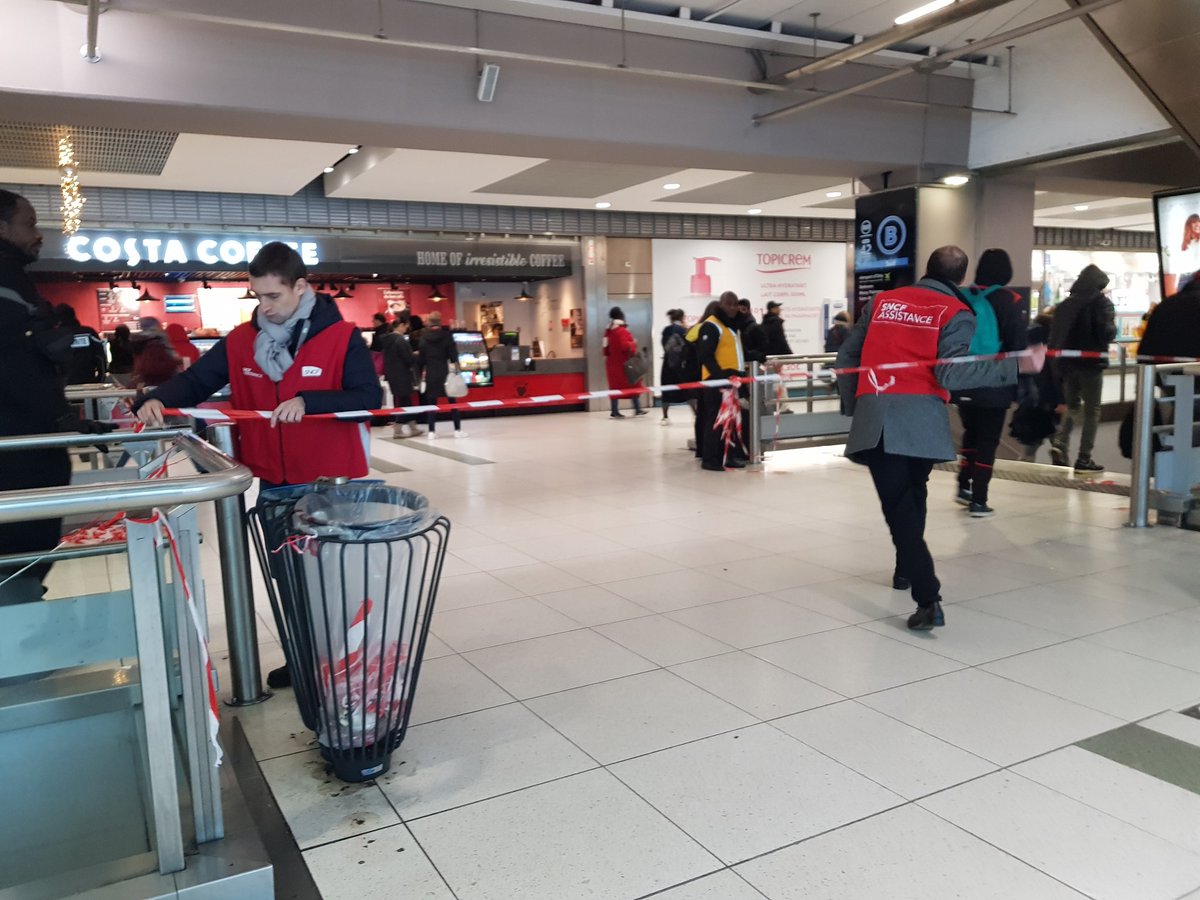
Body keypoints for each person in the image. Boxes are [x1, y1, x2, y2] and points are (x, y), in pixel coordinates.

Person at [135, 242, 381, 687]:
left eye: (274, 297)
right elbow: (197, 381)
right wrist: (155, 398)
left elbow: (368, 398)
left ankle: (346, 661)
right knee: (286, 578)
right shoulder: (242, 342)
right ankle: (304, 660)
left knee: (334, 575)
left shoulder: (341, 338)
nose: (264, 307)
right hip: (273, 482)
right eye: (258, 297)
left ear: (301, 287)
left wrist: (310, 401)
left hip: (332, 482)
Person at [836, 246, 1016, 630]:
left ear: (926, 270)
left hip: (879, 414)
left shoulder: (882, 302)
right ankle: (906, 569)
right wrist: (1012, 367)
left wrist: (859, 405)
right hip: (925, 421)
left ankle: (927, 596)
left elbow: (847, 357)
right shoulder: (957, 312)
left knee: (899, 506)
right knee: (913, 494)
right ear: (961, 279)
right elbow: (951, 374)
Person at [0, 190, 77, 602]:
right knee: (19, 555)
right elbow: (19, 368)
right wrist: (62, 419)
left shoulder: (15, 281)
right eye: (29, 224)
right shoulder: (8, 283)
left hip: (24, 446)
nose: (38, 234)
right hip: (19, 454)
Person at [951, 249, 1028, 517]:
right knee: (988, 440)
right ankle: (980, 500)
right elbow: (1018, 346)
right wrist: (1021, 385)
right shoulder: (1009, 300)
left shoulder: (963, 296)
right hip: (994, 380)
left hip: (963, 378)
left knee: (971, 432)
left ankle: (963, 486)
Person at [1047, 264, 1115, 472]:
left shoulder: (1065, 304)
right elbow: (1107, 333)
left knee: (1072, 406)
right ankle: (1084, 458)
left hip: (1067, 364)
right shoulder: (1102, 303)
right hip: (1091, 364)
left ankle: (1060, 442)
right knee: (1092, 410)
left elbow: (1055, 335)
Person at [696, 291, 747, 471]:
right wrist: (721, 377)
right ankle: (711, 459)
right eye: (729, 304)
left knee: (732, 420)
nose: (733, 307)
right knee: (715, 420)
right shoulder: (711, 326)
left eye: (735, 304)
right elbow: (705, 355)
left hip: (733, 381)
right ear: (721, 304)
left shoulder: (733, 326)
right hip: (716, 381)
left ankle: (729, 456)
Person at [417, 310, 465, 438]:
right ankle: (457, 430)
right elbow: (453, 356)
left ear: (428, 322)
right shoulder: (447, 336)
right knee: (452, 402)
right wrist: (458, 370)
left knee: (431, 403)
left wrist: (419, 374)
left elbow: (421, 359)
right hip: (446, 373)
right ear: (440, 322)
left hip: (431, 374)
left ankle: (431, 432)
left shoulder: (423, 338)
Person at [381, 316, 421, 438]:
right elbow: (408, 359)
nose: (407, 329)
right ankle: (398, 430)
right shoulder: (400, 340)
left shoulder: (387, 340)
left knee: (406, 401)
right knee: (405, 402)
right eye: (406, 326)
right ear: (401, 325)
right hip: (402, 374)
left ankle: (413, 428)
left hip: (392, 374)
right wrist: (415, 355)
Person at [603, 306, 645, 418]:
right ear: (622, 317)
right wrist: (634, 343)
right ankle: (637, 409)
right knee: (633, 383)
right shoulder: (622, 331)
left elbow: (605, 350)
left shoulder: (608, 332)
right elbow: (625, 346)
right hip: (624, 364)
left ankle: (614, 410)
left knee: (614, 388)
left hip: (611, 364)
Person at [55, 304, 107, 384]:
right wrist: (99, 380)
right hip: (88, 383)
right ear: (73, 315)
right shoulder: (89, 333)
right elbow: (100, 358)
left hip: (63, 386)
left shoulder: (55, 336)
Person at [131, 316, 182, 388]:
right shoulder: (161, 336)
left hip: (145, 376)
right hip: (165, 376)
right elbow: (173, 355)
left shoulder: (136, 339)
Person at [659, 308, 690, 424]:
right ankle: (696, 414)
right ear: (682, 318)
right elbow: (687, 347)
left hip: (667, 364)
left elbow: (664, 345)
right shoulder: (683, 330)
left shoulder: (666, 330)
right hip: (681, 365)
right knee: (688, 390)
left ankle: (665, 416)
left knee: (666, 390)